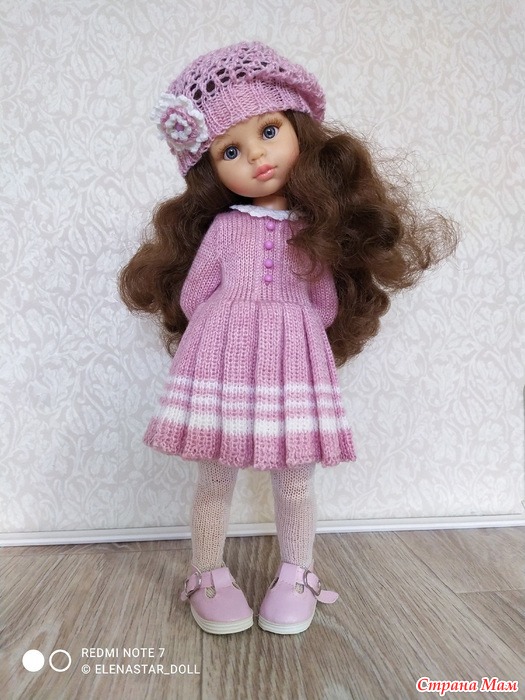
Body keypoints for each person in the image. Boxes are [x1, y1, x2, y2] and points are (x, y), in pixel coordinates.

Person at [119, 41, 457, 635]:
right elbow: (196, 295)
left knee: (295, 477)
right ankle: (207, 572)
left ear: (301, 131)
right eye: (230, 150)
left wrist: (286, 331)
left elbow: (324, 303)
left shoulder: (313, 232)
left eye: (269, 131)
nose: (256, 155)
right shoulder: (224, 230)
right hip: (224, 364)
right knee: (215, 474)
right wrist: (232, 329)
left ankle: (297, 572)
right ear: (210, 170)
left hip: (291, 368)